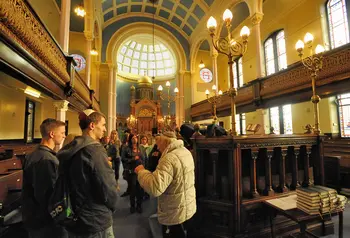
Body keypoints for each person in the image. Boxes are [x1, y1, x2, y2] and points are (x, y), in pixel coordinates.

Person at [57, 109, 118, 237]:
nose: (105, 129)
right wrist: (112, 206)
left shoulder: (71, 147)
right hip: (95, 220)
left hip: (74, 215)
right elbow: (107, 187)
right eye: (103, 125)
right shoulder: (94, 150)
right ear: (92, 126)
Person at [134, 131, 196, 238]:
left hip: (174, 212)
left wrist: (141, 171)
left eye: (158, 144)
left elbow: (155, 187)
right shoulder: (185, 151)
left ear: (165, 142)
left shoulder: (169, 158)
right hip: (185, 206)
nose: (157, 148)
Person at [22, 118, 67, 238]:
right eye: (62, 133)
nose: (64, 136)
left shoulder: (34, 154)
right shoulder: (46, 159)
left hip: (35, 218)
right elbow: (48, 195)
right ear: (52, 134)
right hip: (44, 223)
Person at [123, 134, 144, 213]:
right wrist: (132, 159)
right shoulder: (126, 148)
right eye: (133, 137)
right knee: (133, 190)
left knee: (140, 190)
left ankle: (139, 205)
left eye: (136, 137)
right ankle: (132, 206)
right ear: (130, 139)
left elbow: (144, 158)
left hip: (141, 172)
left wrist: (144, 167)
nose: (135, 139)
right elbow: (123, 159)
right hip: (132, 172)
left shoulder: (140, 148)